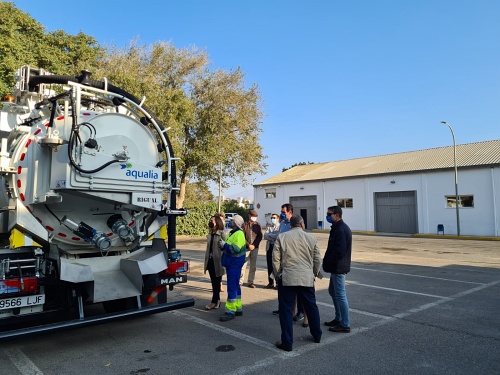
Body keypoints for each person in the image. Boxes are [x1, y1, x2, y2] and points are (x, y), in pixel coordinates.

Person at [272, 215, 322, 351]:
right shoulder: (311, 238)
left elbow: (275, 259)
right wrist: (314, 273)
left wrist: (277, 275)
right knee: (311, 307)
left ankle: (287, 342)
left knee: (286, 310)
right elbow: (317, 259)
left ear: (290, 225)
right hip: (306, 278)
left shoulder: (282, 237)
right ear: (302, 224)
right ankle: (317, 335)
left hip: (287, 278)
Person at [322, 205, 352, 333]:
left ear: (337, 214)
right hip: (335, 267)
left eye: (330, 214)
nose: (327, 216)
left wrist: (328, 261)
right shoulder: (336, 228)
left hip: (339, 267)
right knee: (333, 292)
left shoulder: (341, 229)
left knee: (340, 294)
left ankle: (345, 324)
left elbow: (340, 251)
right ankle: (338, 318)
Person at [265, 203, 293, 315]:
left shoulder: (294, 224)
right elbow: (278, 235)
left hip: (289, 257)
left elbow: (281, 237)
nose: (282, 214)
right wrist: (274, 236)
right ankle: (281, 307)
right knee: (281, 285)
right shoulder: (282, 223)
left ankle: (292, 310)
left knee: (290, 286)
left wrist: (271, 236)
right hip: (280, 256)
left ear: (290, 212)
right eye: (281, 212)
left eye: (284, 212)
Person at [219, 215, 247, 321]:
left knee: (232, 287)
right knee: (236, 286)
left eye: (232, 221)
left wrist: (224, 246)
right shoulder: (233, 232)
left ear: (236, 222)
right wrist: (224, 245)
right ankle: (238, 308)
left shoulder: (239, 234)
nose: (231, 222)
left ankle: (230, 311)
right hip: (232, 263)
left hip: (234, 263)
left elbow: (235, 249)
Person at [204, 215, 227, 310]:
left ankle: (215, 301)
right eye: (210, 220)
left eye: (212, 221)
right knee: (213, 282)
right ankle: (216, 300)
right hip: (209, 261)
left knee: (217, 283)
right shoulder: (210, 234)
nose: (210, 222)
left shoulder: (221, 234)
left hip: (218, 262)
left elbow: (227, 246)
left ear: (217, 222)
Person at [240, 209, 263, 288]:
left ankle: (251, 281)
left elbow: (260, 236)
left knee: (253, 265)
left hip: (255, 248)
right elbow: (241, 236)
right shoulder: (244, 225)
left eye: (256, 216)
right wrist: (248, 245)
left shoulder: (258, 225)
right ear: (249, 216)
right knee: (243, 265)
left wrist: (254, 245)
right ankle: (240, 281)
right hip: (246, 248)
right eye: (253, 216)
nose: (254, 218)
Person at [264, 213, 280, 289]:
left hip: (276, 248)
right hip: (269, 248)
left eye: (274, 218)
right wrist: (273, 236)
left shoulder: (280, 227)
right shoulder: (269, 227)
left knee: (276, 266)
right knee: (269, 266)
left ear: (278, 218)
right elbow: (265, 236)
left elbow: (278, 236)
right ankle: (270, 282)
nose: (272, 219)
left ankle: (277, 283)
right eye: (272, 218)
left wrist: (270, 235)